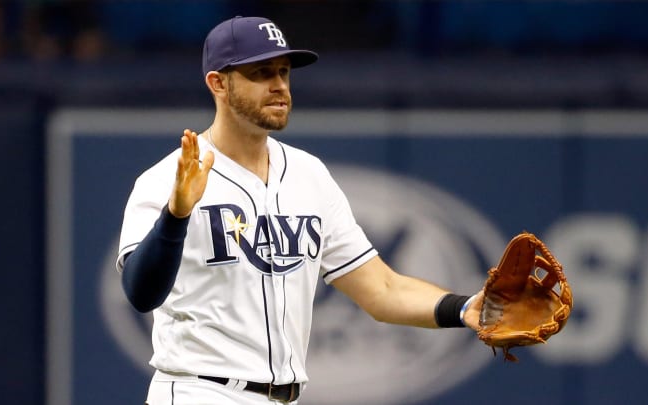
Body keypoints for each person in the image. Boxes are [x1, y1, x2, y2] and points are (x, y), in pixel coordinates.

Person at [117, 16, 484, 405]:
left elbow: (383, 289)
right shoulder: (169, 178)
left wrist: (461, 309)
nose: (279, 86)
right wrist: (175, 216)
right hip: (200, 391)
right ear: (218, 83)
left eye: (284, 72)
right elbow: (140, 294)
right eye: (261, 73)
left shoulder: (309, 175)